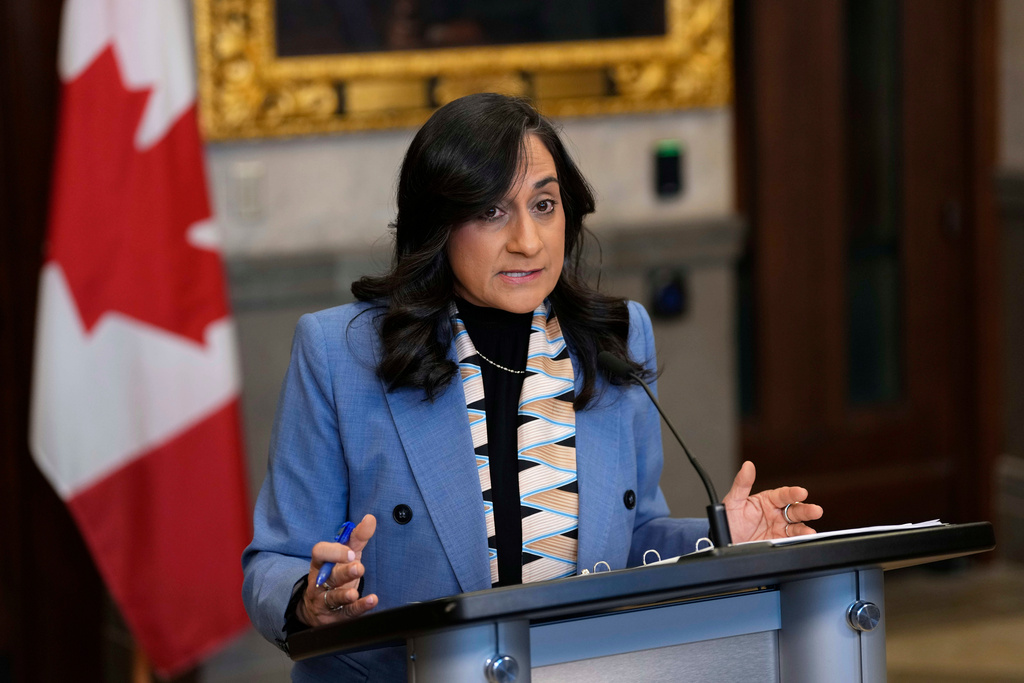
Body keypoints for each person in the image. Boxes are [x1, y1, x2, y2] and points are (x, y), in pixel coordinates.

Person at [242, 93, 822, 681]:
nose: (527, 239)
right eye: (492, 212)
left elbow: (634, 534)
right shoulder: (341, 352)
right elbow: (274, 561)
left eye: (544, 205)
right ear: (437, 223)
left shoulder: (613, 337)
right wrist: (310, 598)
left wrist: (725, 537)